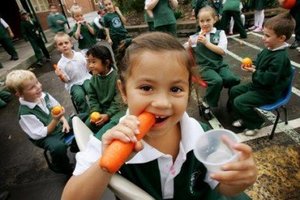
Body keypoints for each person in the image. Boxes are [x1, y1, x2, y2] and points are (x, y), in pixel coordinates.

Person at [61, 32, 257, 199]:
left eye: (176, 89)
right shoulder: (110, 138)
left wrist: (239, 179)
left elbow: (221, 187)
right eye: (146, 88)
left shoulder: (201, 135)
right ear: (124, 91)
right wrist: (105, 165)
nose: (162, 103)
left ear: (189, 91)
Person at [228, 13, 295, 136]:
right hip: (259, 86)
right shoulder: (269, 48)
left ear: (281, 38)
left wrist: (254, 71)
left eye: (267, 35)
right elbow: (259, 61)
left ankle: (256, 123)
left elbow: (268, 79)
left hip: (269, 92)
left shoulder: (280, 58)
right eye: (263, 34)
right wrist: (252, 65)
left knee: (240, 102)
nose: (263, 38)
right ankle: (244, 117)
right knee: (234, 91)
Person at [5, 70, 74, 174]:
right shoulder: (25, 113)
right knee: (58, 147)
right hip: (45, 136)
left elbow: (57, 107)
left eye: (37, 82)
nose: (38, 87)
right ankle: (63, 167)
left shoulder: (44, 96)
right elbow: (41, 133)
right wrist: (56, 119)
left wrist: (63, 120)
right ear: (19, 94)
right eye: (32, 87)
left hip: (57, 124)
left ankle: (75, 145)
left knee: (78, 119)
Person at [185, 6, 240, 117]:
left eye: (208, 20)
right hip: (204, 67)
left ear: (215, 19)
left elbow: (222, 51)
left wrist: (206, 43)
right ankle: (207, 104)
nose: (205, 24)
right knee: (216, 81)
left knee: (232, 79)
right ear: (198, 22)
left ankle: (232, 100)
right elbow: (185, 49)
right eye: (202, 21)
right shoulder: (195, 37)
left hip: (219, 65)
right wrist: (188, 46)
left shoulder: (220, 34)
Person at [85, 44, 124, 134]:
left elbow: (119, 100)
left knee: (110, 126)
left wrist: (108, 115)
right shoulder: (93, 79)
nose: (90, 65)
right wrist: (95, 112)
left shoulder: (117, 77)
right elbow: (92, 99)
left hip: (118, 110)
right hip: (102, 110)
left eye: (94, 62)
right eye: (89, 62)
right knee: (88, 125)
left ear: (106, 63)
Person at [54, 32, 91, 115]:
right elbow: (67, 80)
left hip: (85, 78)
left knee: (90, 89)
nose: (64, 45)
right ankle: (84, 114)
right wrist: (60, 76)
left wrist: (88, 61)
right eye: (60, 44)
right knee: (79, 95)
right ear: (57, 48)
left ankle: (96, 107)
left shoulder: (79, 55)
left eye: (66, 43)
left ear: (71, 43)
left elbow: (88, 69)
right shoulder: (61, 64)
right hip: (73, 83)